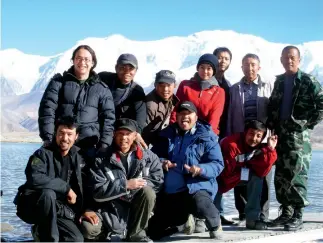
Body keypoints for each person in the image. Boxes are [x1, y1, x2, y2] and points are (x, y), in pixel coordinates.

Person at [148, 101, 224, 240]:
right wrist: (162, 162)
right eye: (181, 114)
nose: (185, 117)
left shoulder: (207, 136)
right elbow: (151, 158)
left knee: (201, 204)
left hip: (197, 186)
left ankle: (215, 223)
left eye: (188, 114)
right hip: (172, 191)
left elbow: (217, 164)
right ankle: (182, 222)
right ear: (176, 117)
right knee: (153, 230)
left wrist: (201, 169)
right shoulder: (167, 135)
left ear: (196, 117)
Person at [267, 45, 323, 231]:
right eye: (285, 57)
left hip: (298, 136)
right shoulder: (280, 81)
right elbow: (274, 104)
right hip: (280, 134)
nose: (289, 61)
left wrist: (306, 124)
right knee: (281, 175)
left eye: (292, 57)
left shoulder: (308, 81)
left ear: (299, 60)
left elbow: (321, 104)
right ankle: (286, 213)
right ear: (281, 60)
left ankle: (298, 214)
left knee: (297, 174)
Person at [81, 118, 163, 242]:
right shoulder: (101, 159)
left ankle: (137, 235)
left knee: (148, 192)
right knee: (88, 229)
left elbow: (158, 181)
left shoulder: (149, 157)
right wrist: (125, 185)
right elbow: (97, 191)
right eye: (120, 133)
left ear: (135, 135)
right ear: (114, 134)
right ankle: (108, 233)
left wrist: (133, 190)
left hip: (138, 206)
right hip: (110, 210)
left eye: (128, 134)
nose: (124, 138)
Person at [14, 117, 84, 242]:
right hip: (35, 206)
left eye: (69, 134)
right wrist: (66, 188)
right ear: (55, 134)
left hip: (59, 208)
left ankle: (44, 232)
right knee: (48, 193)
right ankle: (45, 235)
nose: (65, 138)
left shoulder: (78, 158)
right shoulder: (42, 154)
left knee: (76, 239)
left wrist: (85, 210)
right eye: (61, 133)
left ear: (76, 136)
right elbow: (34, 177)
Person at [38, 45, 115, 158]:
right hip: (60, 145)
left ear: (93, 63)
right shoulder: (58, 83)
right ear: (73, 60)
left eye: (87, 59)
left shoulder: (101, 89)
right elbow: (47, 110)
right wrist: (48, 139)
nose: (82, 62)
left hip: (89, 146)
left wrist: (104, 145)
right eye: (78, 58)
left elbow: (108, 119)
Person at [223, 53, 273, 223]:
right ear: (241, 67)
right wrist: (230, 137)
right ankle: (244, 213)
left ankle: (263, 215)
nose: (249, 68)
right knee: (240, 174)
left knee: (263, 176)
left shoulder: (268, 86)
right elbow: (230, 114)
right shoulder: (235, 88)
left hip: (263, 139)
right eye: (246, 65)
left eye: (253, 65)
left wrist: (271, 138)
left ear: (259, 67)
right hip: (242, 139)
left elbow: (273, 113)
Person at [218, 120, 277, 230]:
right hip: (223, 176)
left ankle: (252, 219)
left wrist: (270, 149)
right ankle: (209, 218)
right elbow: (225, 172)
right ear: (245, 132)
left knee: (257, 178)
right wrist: (243, 170)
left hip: (239, 174)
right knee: (213, 184)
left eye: (258, 136)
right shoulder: (231, 144)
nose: (254, 139)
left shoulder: (262, 147)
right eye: (251, 133)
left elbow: (263, 171)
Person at [98, 53, 147, 147]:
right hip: (99, 129)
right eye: (123, 67)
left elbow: (140, 117)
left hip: (120, 134)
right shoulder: (103, 79)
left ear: (136, 70)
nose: (126, 71)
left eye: (131, 68)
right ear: (116, 68)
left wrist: (137, 133)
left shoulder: (137, 92)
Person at [170, 54, 225, 135]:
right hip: (182, 130)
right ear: (197, 68)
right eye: (202, 67)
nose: (205, 71)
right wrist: (173, 127)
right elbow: (175, 109)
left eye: (209, 68)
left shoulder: (218, 92)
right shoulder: (185, 85)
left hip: (205, 134)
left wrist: (205, 136)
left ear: (214, 71)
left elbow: (214, 119)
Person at [212, 47, 234, 225]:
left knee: (219, 172)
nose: (222, 61)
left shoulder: (228, 86)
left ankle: (218, 212)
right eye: (219, 58)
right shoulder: (204, 81)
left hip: (222, 135)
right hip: (205, 134)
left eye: (226, 59)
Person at [142, 70, 179, 146]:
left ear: (174, 85)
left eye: (168, 85)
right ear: (155, 85)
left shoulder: (173, 100)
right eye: (161, 85)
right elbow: (143, 132)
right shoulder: (150, 106)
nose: (165, 89)